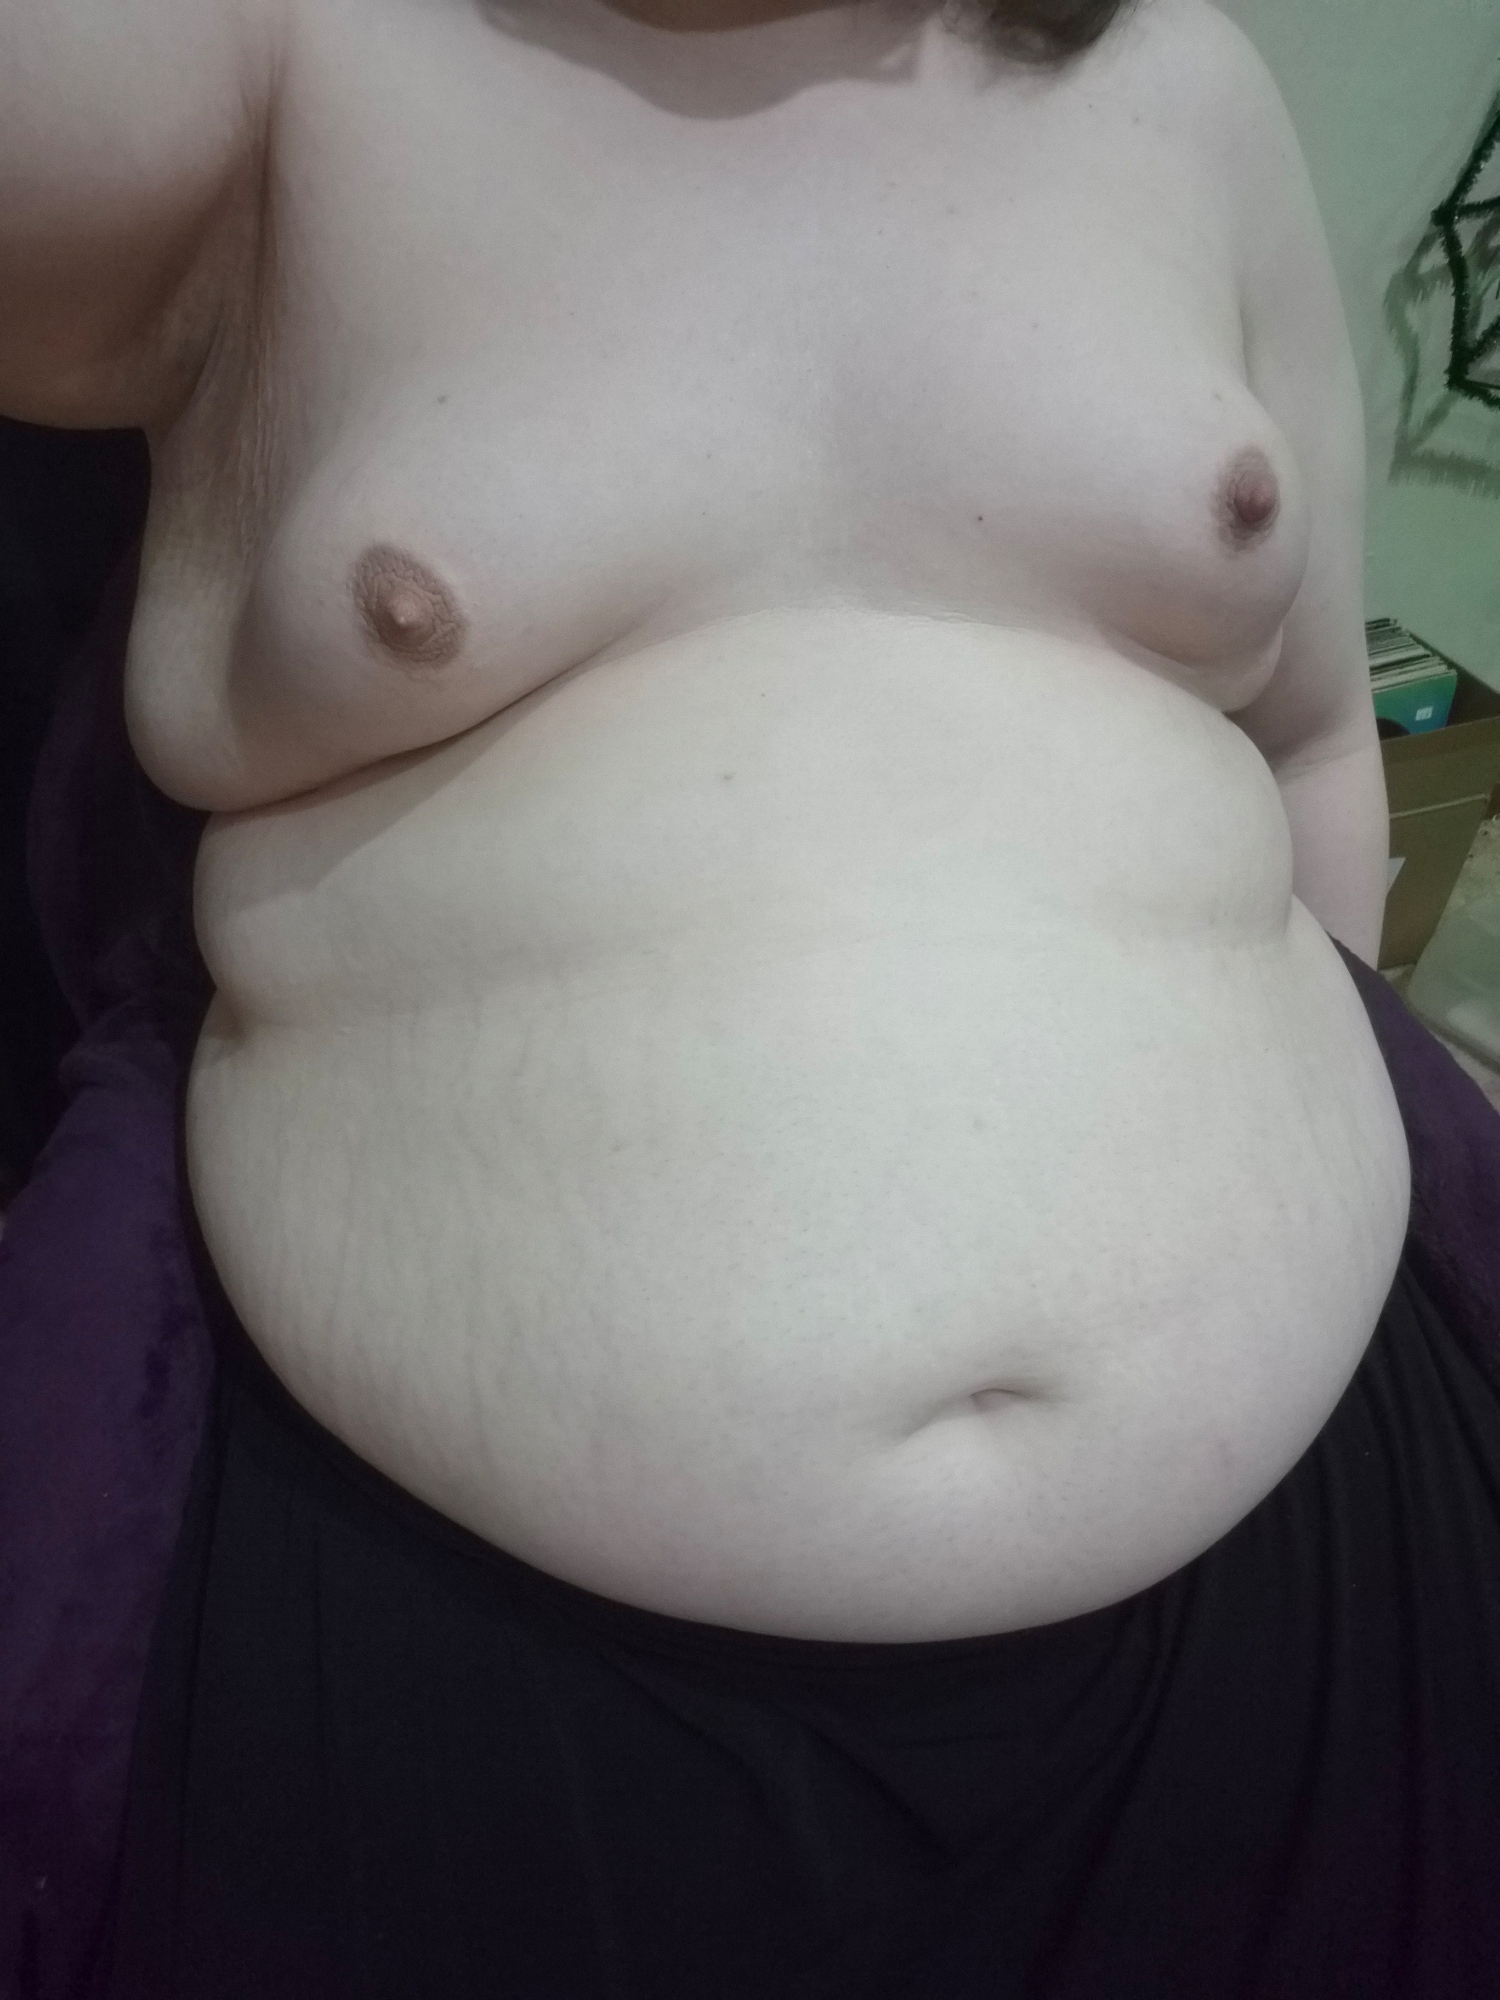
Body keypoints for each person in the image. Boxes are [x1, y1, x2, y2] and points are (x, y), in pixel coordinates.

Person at [3, 0, 1499, 1992]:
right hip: (430, 1643)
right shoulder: (286, 57)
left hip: (1324, 1579)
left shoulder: (1185, 84)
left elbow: (1313, 735)